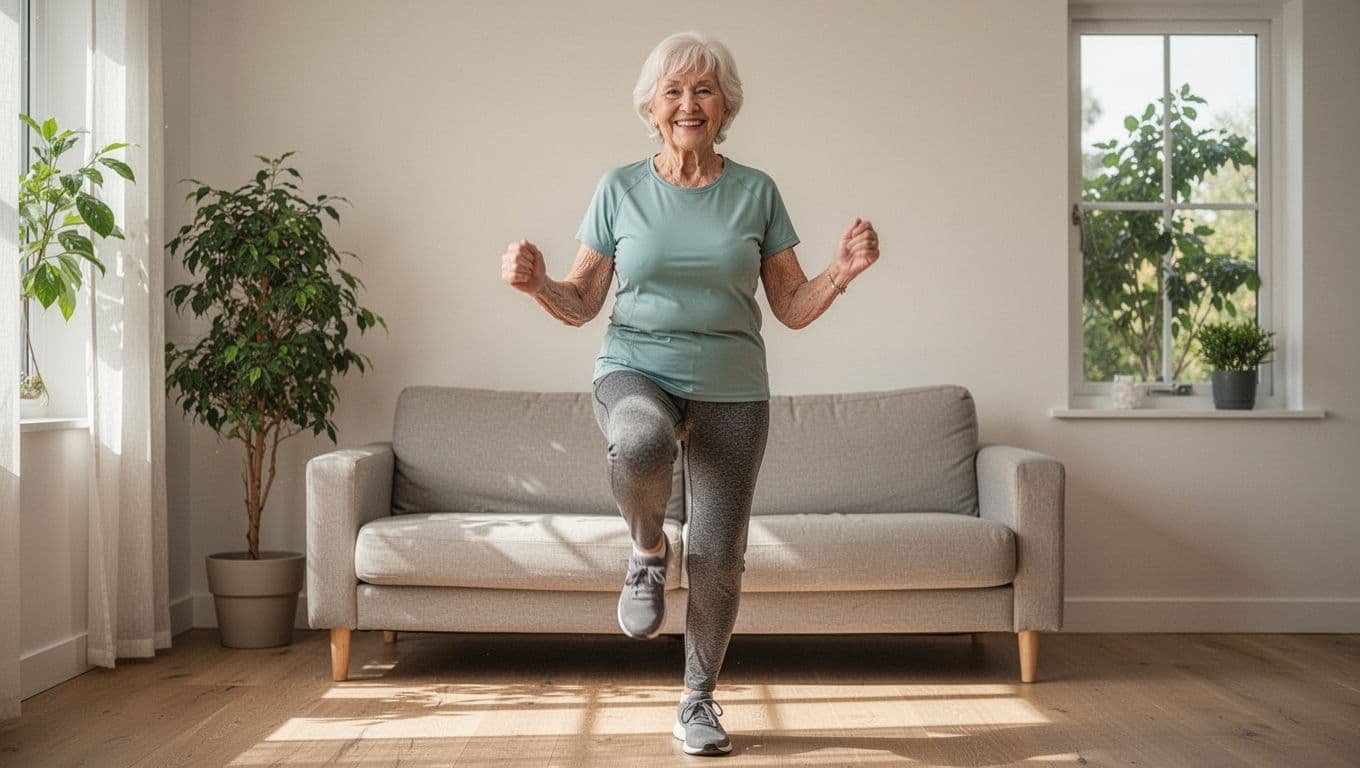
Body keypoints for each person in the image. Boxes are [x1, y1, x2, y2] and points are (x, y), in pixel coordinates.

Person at [500, 30, 880, 757]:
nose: (689, 103)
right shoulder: (620, 188)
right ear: (651, 107)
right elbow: (581, 301)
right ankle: (645, 551)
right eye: (673, 91)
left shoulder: (755, 192)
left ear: (726, 104)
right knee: (639, 443)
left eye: (704, 89)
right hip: (636, 367)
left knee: (717, 554)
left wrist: (841, 271)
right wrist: (537, 283)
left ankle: (697, 701)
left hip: (734, 388)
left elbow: (791, 305)